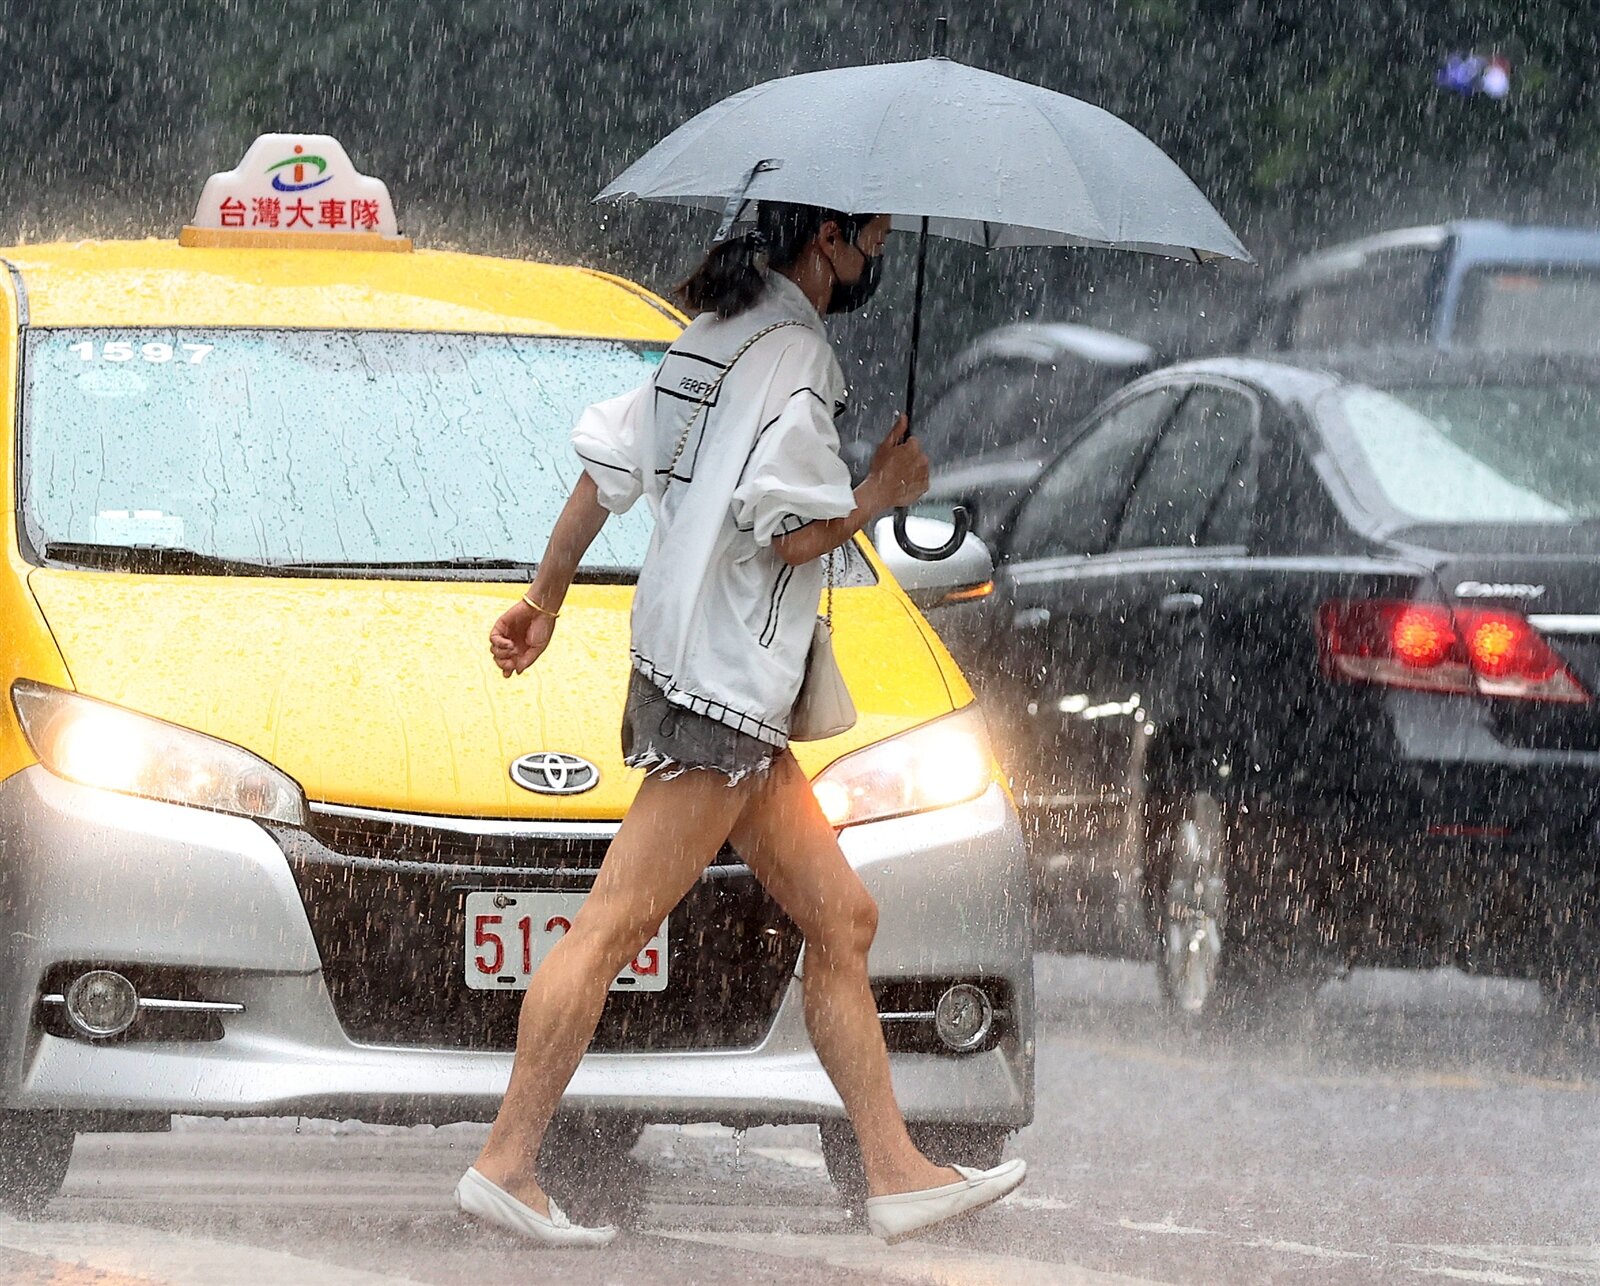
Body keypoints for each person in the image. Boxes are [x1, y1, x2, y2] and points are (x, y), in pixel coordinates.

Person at [458, 201, 1026, 1246]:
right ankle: (506, 1159)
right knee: (610, 926)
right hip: (720, 693)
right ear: (826, 243)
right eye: (874, 246)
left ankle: (895, 1168)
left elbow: (602, 476)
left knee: (842, 917)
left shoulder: (706, 337)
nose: (873, 266)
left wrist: (542, 599)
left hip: (706, 682)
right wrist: (881, 491)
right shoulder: (795, 358)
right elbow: (797, 531)